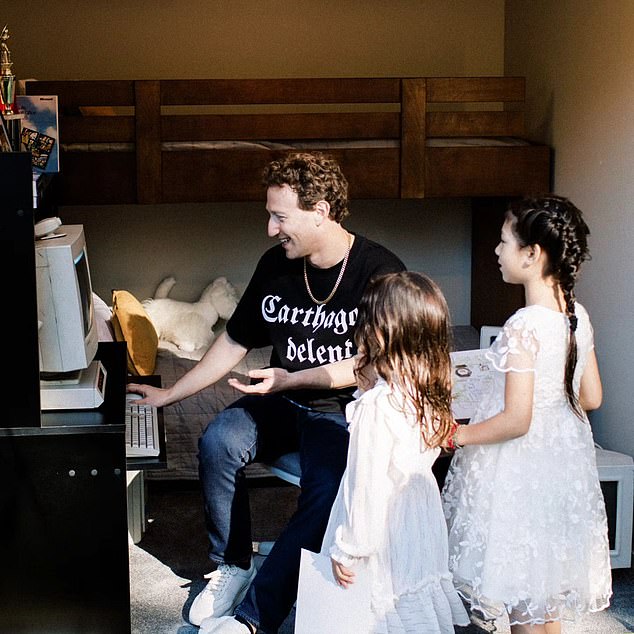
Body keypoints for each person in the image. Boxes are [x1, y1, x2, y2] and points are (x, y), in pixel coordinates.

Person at [128, 152, 405, 634]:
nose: (271, 229)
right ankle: (232, 565)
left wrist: (292, 379)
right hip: (281, 397)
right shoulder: (276, 265)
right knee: (218, 441)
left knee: (326, 492)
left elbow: (372, 367)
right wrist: (170, 394)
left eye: (280, 217)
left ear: (320, 211)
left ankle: (255, 618)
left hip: (343, 412)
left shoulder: (379, 272)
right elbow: (234, 339)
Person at [441, 195, 612, 634]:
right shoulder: (577, 317)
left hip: (521, 469)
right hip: (562, 465)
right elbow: (591, 396)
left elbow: (517, 419)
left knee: (521, 598)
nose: (496, 252)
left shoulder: (523, 325)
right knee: (545, 596)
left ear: (532, 254)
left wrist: (456, 435)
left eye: (503, 242)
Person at [314, 271, 470, 632]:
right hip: (416, 521)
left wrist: (349, 548)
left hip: (378, 530)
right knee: (408, 601)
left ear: (379, 333)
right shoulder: (424, 393)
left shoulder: (377, 408)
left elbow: (366, 487)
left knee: (372, 608)